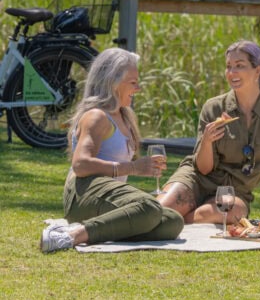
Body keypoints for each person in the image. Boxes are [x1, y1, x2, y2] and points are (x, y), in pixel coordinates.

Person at [40, 48, 184, 253]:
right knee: (149, 208)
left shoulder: (125, 116)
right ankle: (69, 236)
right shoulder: (97, 116)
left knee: (172, 221)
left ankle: (92, 230)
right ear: (112, 82)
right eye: (133, 82)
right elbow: (80, 165)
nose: (139, 88)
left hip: (107, 198)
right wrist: (133, 167)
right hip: (83, 193)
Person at [157, 40, 260, 226]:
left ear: (257, 70)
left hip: (235, 194)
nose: (232, 73)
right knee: (159, 212)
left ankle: (175, 223)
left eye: (239, 66)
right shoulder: (213, 108)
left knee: (221, 213)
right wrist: (206, 141)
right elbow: (203, 169)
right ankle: (160, 219)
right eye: (229, 67)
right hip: (196, 180)